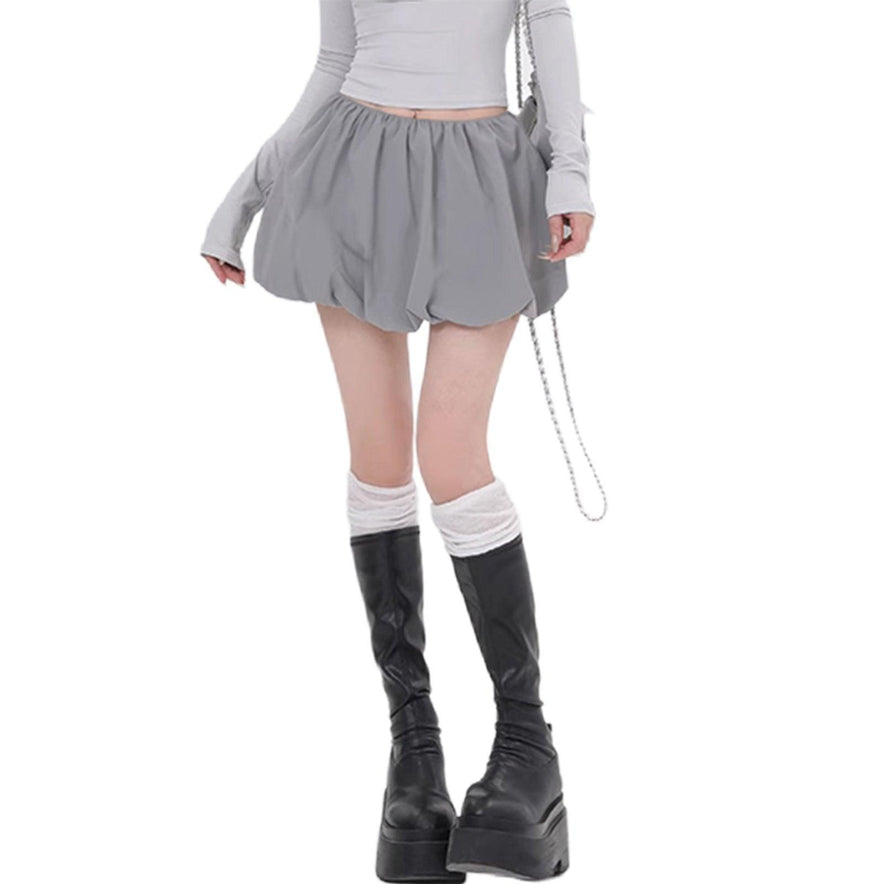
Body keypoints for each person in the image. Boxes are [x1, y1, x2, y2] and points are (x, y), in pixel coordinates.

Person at [199, 1, 594, 880]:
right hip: (351, 169)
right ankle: (413, 753)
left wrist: (571, 171)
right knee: (378, 461)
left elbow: (550, 17)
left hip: (480, 172)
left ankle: (527, 748)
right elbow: (334, 62)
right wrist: (243, 196)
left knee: (451, 459)